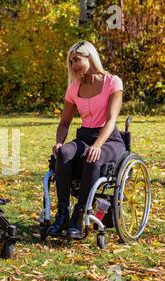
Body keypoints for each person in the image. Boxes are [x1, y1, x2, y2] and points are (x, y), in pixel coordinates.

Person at [47, 40, 126, 239]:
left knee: (93, 157)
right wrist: (59, 142)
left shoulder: (112, 82)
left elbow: (111, 120)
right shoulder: (74, 88)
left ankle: (79, 215)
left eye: (77, 60)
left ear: (90, 57)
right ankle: (62, 213)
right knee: (63, 153)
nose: (73, 65)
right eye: (71, 61)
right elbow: (64, 122)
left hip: (109, 139)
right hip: (84, 136)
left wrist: (98, 145)